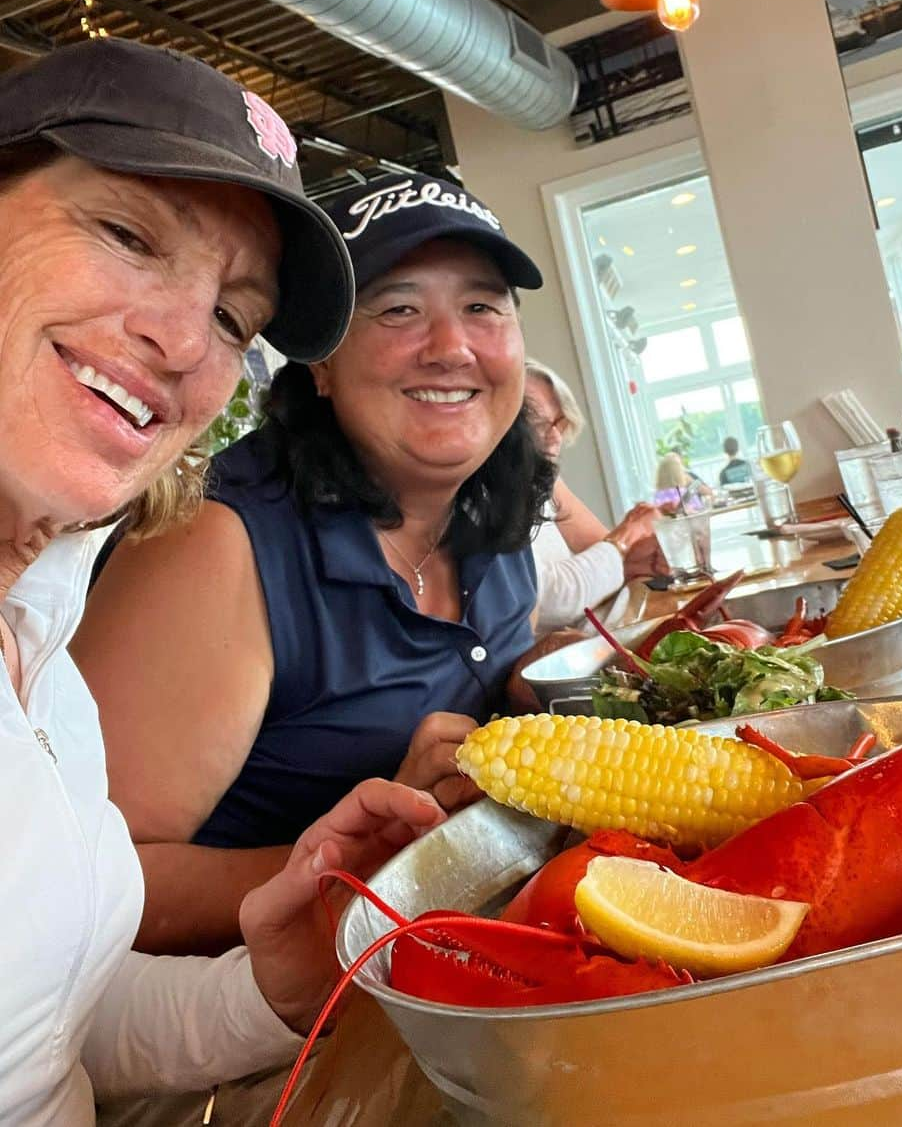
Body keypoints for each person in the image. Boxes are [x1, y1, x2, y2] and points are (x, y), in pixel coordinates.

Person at [0, 38, 446, 1126]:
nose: (184, 342)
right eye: (125, 234)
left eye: (234, 318)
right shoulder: (224, 547)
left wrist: (271, 983)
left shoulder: (41, 632)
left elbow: (53, 1023)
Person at [73, 172, 559, 959]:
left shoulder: (487, 508)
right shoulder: (215, 543)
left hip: (466, 948)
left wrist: (538, 681)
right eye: (400, 309)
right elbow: (94, 882)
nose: (452, 347)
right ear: (321, 367)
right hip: (247, 1034)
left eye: (482, 306)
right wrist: (368, 864)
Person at [524, 359, 660, 634]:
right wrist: (628, 534)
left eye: (558, 424)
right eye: (538, 424)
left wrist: (649, 547)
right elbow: (551, 599)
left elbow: (609, 555)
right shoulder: (479, 493)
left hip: (592, 638)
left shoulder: (545, 481)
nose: (555, 439)